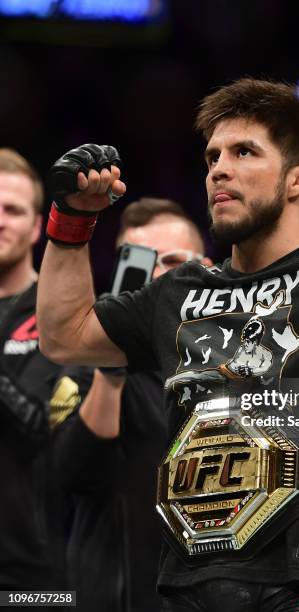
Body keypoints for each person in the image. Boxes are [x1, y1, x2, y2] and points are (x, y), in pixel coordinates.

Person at [37, 81, 299, 612]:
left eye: (244, 152)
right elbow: (64, 335)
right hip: (186, 581)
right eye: (212, 156)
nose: (218, 170)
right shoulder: (180, 290)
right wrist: (71, 219)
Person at [53, 197, 211, 612]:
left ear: (209, 270)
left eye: (173, 260)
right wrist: (111, 370)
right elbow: (69, 475)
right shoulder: (87, 361)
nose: (159, 276)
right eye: (142, 262)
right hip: (116, 594)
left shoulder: (240, 369)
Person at [0, 148, 90, 593]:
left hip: (33, 568)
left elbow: (42, 424)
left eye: (12, 210)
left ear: (37, 226)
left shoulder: (59, 316)